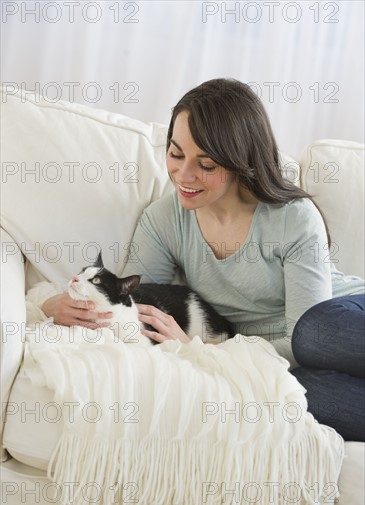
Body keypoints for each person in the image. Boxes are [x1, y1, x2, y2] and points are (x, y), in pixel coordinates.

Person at [41, 78, 365, 441]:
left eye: (206, 164)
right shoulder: (164, 221)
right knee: (303, 394)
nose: (184, 175)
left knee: (313, 337)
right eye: (176, 154)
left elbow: (305, 337)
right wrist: (54, 305)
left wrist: (206, 348)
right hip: (284, 363)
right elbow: (134, 307)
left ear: (241, 161)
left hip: (341, 320)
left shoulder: (293, 216)